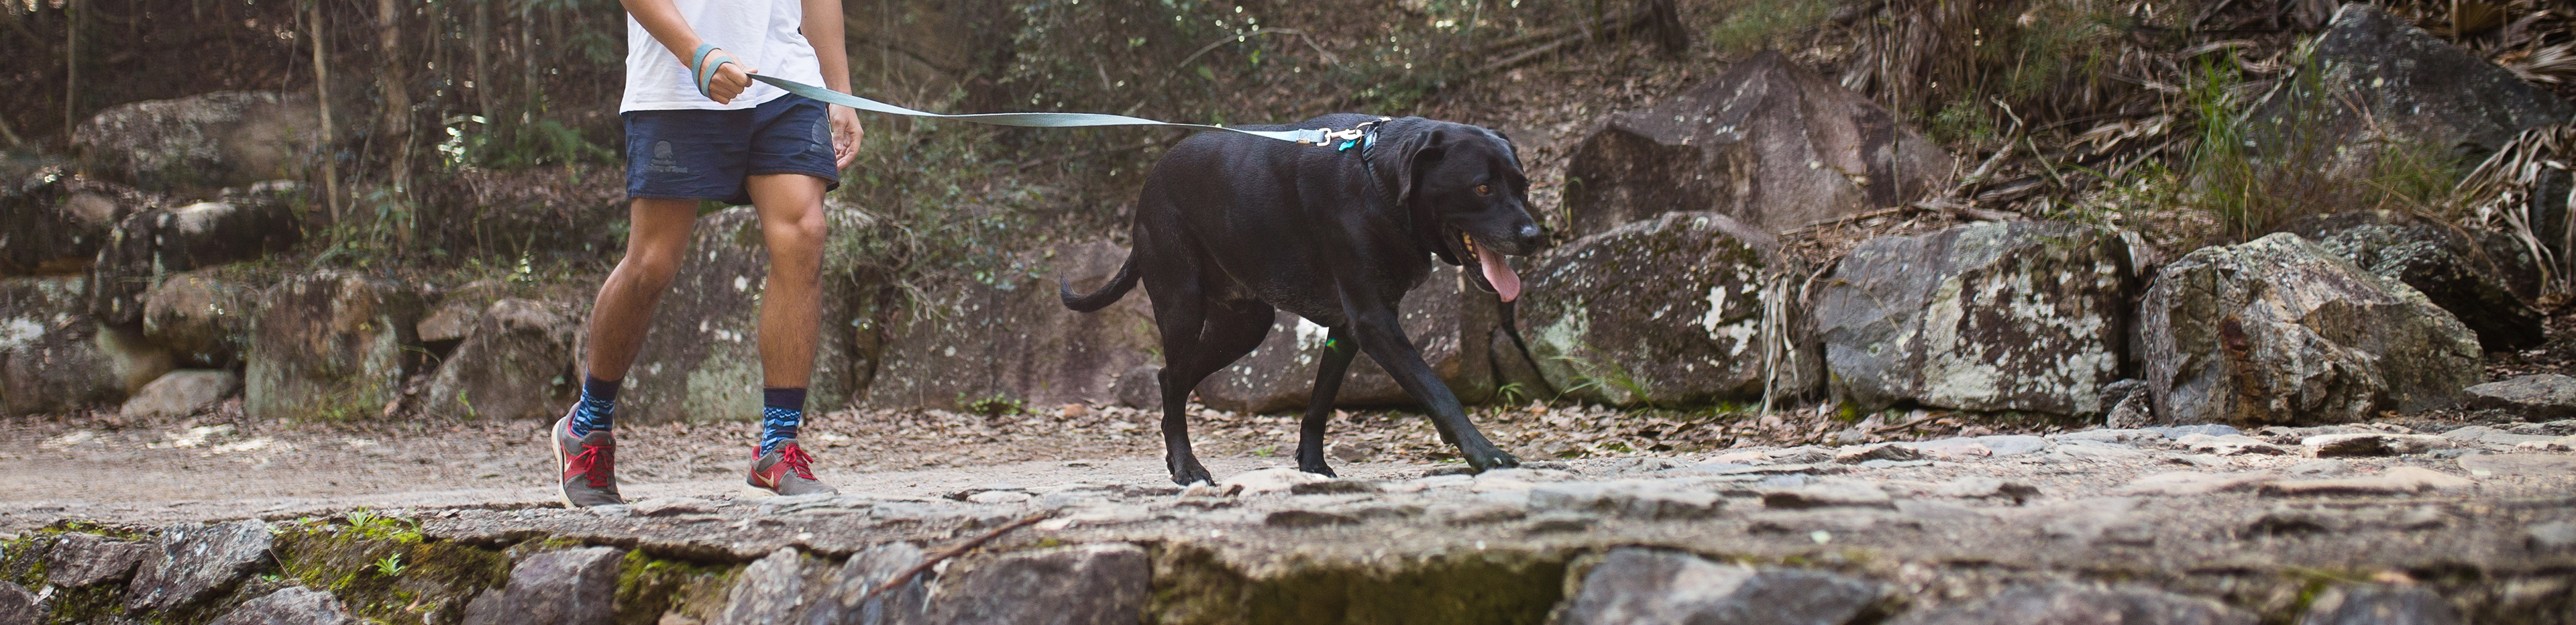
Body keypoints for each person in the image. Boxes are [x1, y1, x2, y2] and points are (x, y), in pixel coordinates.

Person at [552, 0, 863, 506]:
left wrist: (840, 92)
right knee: (652, 262)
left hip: (783, 78)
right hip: (676, 81)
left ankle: (778, 446)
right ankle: (587, 427)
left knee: (804, 232)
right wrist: (696, 54)